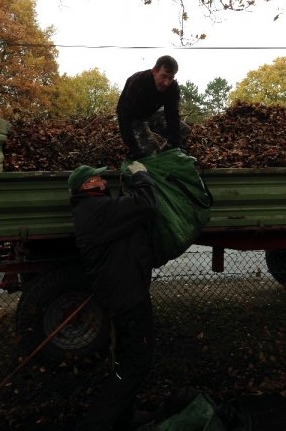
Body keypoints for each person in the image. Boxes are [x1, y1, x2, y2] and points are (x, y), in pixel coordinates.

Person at [68, 162, 157, 431]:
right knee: (138, 361)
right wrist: (142, 174)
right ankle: (97, 424)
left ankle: (124, 416)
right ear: (86, 187)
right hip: (128, 299)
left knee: (126, 358)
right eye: (97, 179)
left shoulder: (92, 209)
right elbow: (145, 204)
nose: (103, 181)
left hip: (123, 295)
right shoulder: (96, 210)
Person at [116, 55, 190, 160]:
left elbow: (172, 115)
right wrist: (133, 147)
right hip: (133, 116)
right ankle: (146, 156)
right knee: (150, 149)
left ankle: (167, 155)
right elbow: (124, 115)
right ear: (154, 71)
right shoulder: (138, 82)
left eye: (171, 78)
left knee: (184, 130)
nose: (166, 83)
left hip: (152, 113)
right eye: (163, 76)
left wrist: (176, 144)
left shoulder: (172, 88)